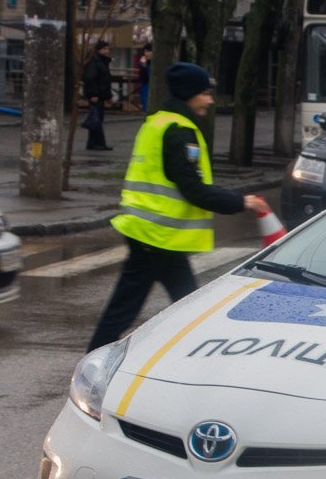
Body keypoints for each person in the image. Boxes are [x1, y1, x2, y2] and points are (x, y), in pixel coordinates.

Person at [86, 62, 271, 352]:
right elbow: (193, 189)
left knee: (186, 303)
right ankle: (93, 359)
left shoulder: (158, 122)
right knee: (127, 309)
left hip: (157, 235)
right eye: (205, 93)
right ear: (189, 94)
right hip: (155, 235)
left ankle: (199, 355)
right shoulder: (178, 131)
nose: (210, 100)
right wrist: (241, 201)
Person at [82, 40, 114, 150]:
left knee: (96, 118)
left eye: (107, 49)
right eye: (104, 49)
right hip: (97, 95)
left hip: (100, 94)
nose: (107, 51)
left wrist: (108, 96)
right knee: (97, 118)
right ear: (99, 49)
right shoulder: (95, 62)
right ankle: (98, 143)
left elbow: (104, 80)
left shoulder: (100, 61)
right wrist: (93, 94)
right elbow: (90, 78)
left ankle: (93, 143)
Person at [137, 43, 152, 112]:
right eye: (145, 51)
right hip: (146, 86)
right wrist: (143, 66)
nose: (146, 54)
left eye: (148, 51)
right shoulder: (144, 62)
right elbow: (142, 77)